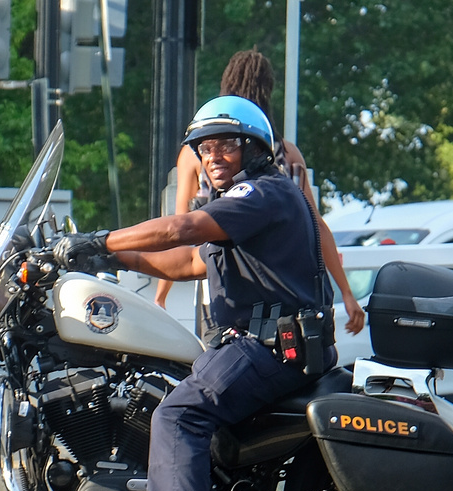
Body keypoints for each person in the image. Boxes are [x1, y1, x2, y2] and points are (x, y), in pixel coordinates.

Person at [55, 96, 366, 491]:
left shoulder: (261, 193)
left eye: (226, 145)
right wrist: (113, 261)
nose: (213, 156)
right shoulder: (251, 209)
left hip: (270, 347)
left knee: (179, 415)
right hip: (269, 344)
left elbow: (181, 228)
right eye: (205, 147)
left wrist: (99, 240)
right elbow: (186, 263)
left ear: (255, 148)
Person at [156, 49, 365, 334]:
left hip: (224, 292)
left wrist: (161, 295)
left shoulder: (198, 155)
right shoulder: (288, 155)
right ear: (267, 92)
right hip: (285, 291)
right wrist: (347, 293)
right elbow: (317, 227)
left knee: (218, 364)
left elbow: (179, 228)